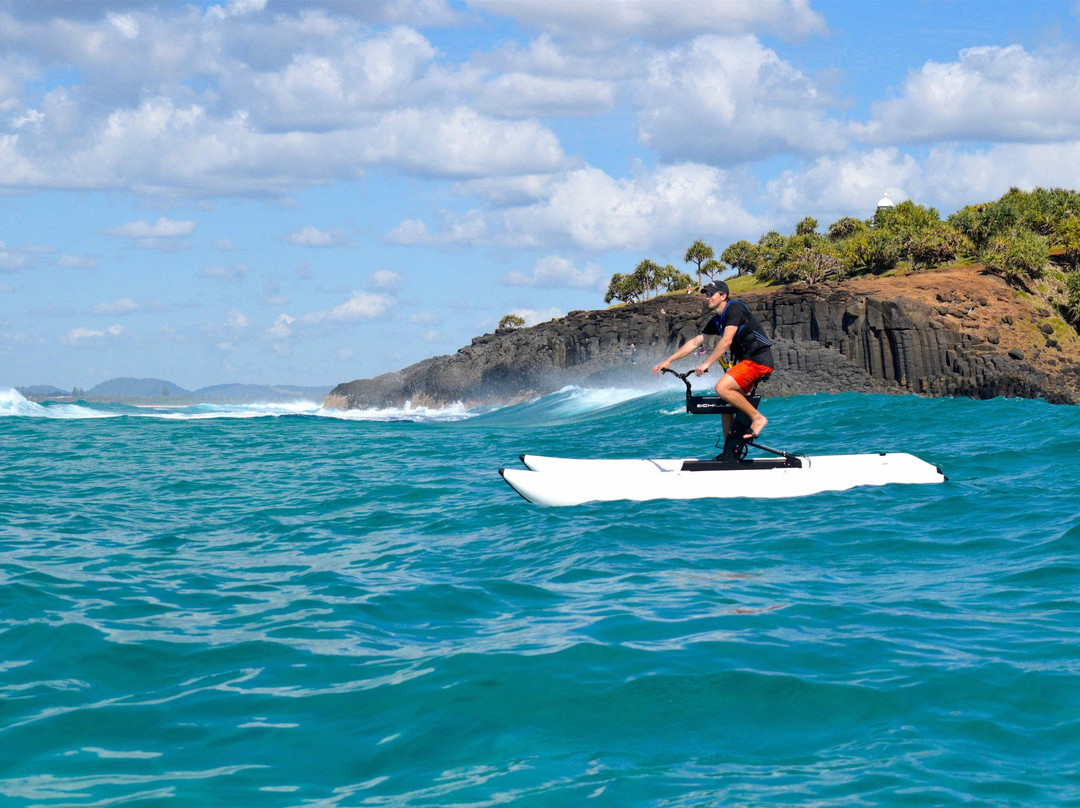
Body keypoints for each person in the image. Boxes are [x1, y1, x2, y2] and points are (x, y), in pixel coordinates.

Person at [651, 280, 774, 439]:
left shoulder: (735, 308)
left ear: (723, 296)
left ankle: (758, 419)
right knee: (725, 404)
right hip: (747, 361)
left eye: (711, 294)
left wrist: (706, 363)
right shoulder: (717, 320)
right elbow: (695, 342)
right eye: (706, 294)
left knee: (721, 388)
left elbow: (726, 341)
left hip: (758, 360)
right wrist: (669, 360)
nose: (707, 297)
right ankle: (729, 448)